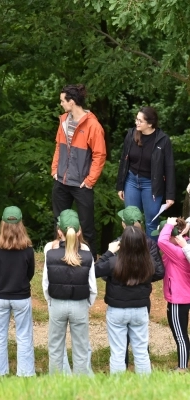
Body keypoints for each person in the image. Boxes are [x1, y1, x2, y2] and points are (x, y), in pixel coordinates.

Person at [95, 226, 164, 374]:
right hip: (140, 309)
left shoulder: (114, 262)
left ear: (123, 243)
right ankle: (145, 391)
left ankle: (119, 391)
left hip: (117, 310)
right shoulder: (149, 262)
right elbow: (159, 273)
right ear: (142, 243)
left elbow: (94, 270)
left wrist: (108, 252)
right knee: (141, 352)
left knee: (118, 353)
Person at [51, 84, 106, 259]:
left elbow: (100, 155)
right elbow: (58, 147)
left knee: (86, 224)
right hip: (61, 180)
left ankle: (90, 260)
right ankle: (59, 256)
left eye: (62, 101)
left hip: (81, 183)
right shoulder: (63, 121)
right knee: (59, 221)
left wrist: (90, 180)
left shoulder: (93, 125)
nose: (60, 104)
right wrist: (54, 170)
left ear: (72, 102)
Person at [43, 209, 97, 375]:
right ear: (79, 230)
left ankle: (57, 387)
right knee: (81, 349)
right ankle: (80, 389)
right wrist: (87, 303)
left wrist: (50, 301)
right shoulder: (87, 252)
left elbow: (45, 282)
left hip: (57, 304)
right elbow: (92, 286)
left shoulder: (49, 251)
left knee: (55, 348)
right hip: (79, 305)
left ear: (59, 231)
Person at [0, 206, 35, 378]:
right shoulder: (28, 249)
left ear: (2, 224)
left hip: (0, 296)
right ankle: (26, 374)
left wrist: (0, 285)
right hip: (21, 296)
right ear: (21, 224)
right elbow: (30, 274)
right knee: (24, 336)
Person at [116, 106, 175, 238]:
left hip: (151, 185)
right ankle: (130, 256)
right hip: (131, 181)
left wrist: (170, 195)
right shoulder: (131, 134)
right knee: (130, 220)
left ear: (150, 124)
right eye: (136, 119)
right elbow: (124, 160)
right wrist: (120, 185)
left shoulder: (163, 140)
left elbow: (169, 167)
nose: (136, 122)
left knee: (151, 223)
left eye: (140, 121)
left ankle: (152, 257)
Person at [157, 217, 190, 371]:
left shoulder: (177, 251)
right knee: (182, 334)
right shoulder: (184, 246)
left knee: (180, 336)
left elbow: (161, 242)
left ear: (172, 235)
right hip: (183, 296)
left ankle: (182, 368)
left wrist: (169, 225)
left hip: (178, 299)